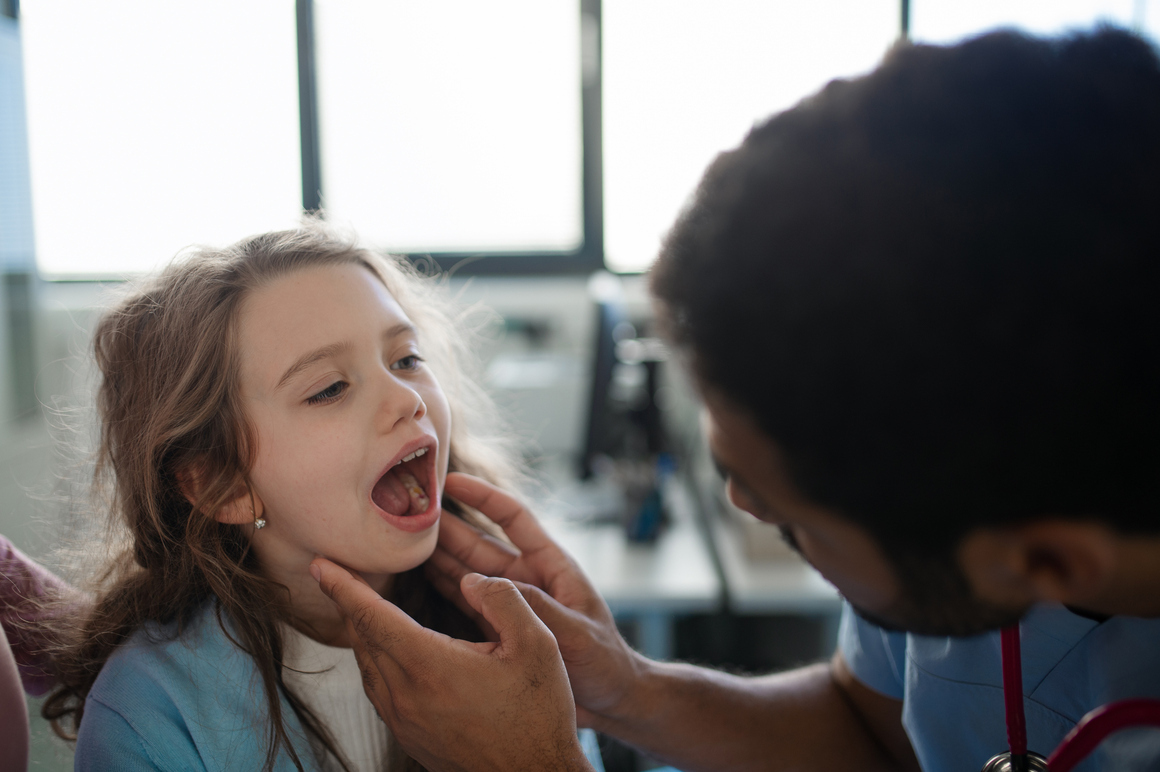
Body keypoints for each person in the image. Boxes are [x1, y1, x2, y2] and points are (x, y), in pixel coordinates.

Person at [311, 27, 1160, 772]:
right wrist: (623, 686)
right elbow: (870, 733)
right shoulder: (961, 505)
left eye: (795, 522)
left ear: (1048, 564)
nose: (738, 503)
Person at [38, 225, 605, 772]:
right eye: (329, 388)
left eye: (406, 359)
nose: (407, 399)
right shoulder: (150, 713)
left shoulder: (513, 638)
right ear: (222, 485)